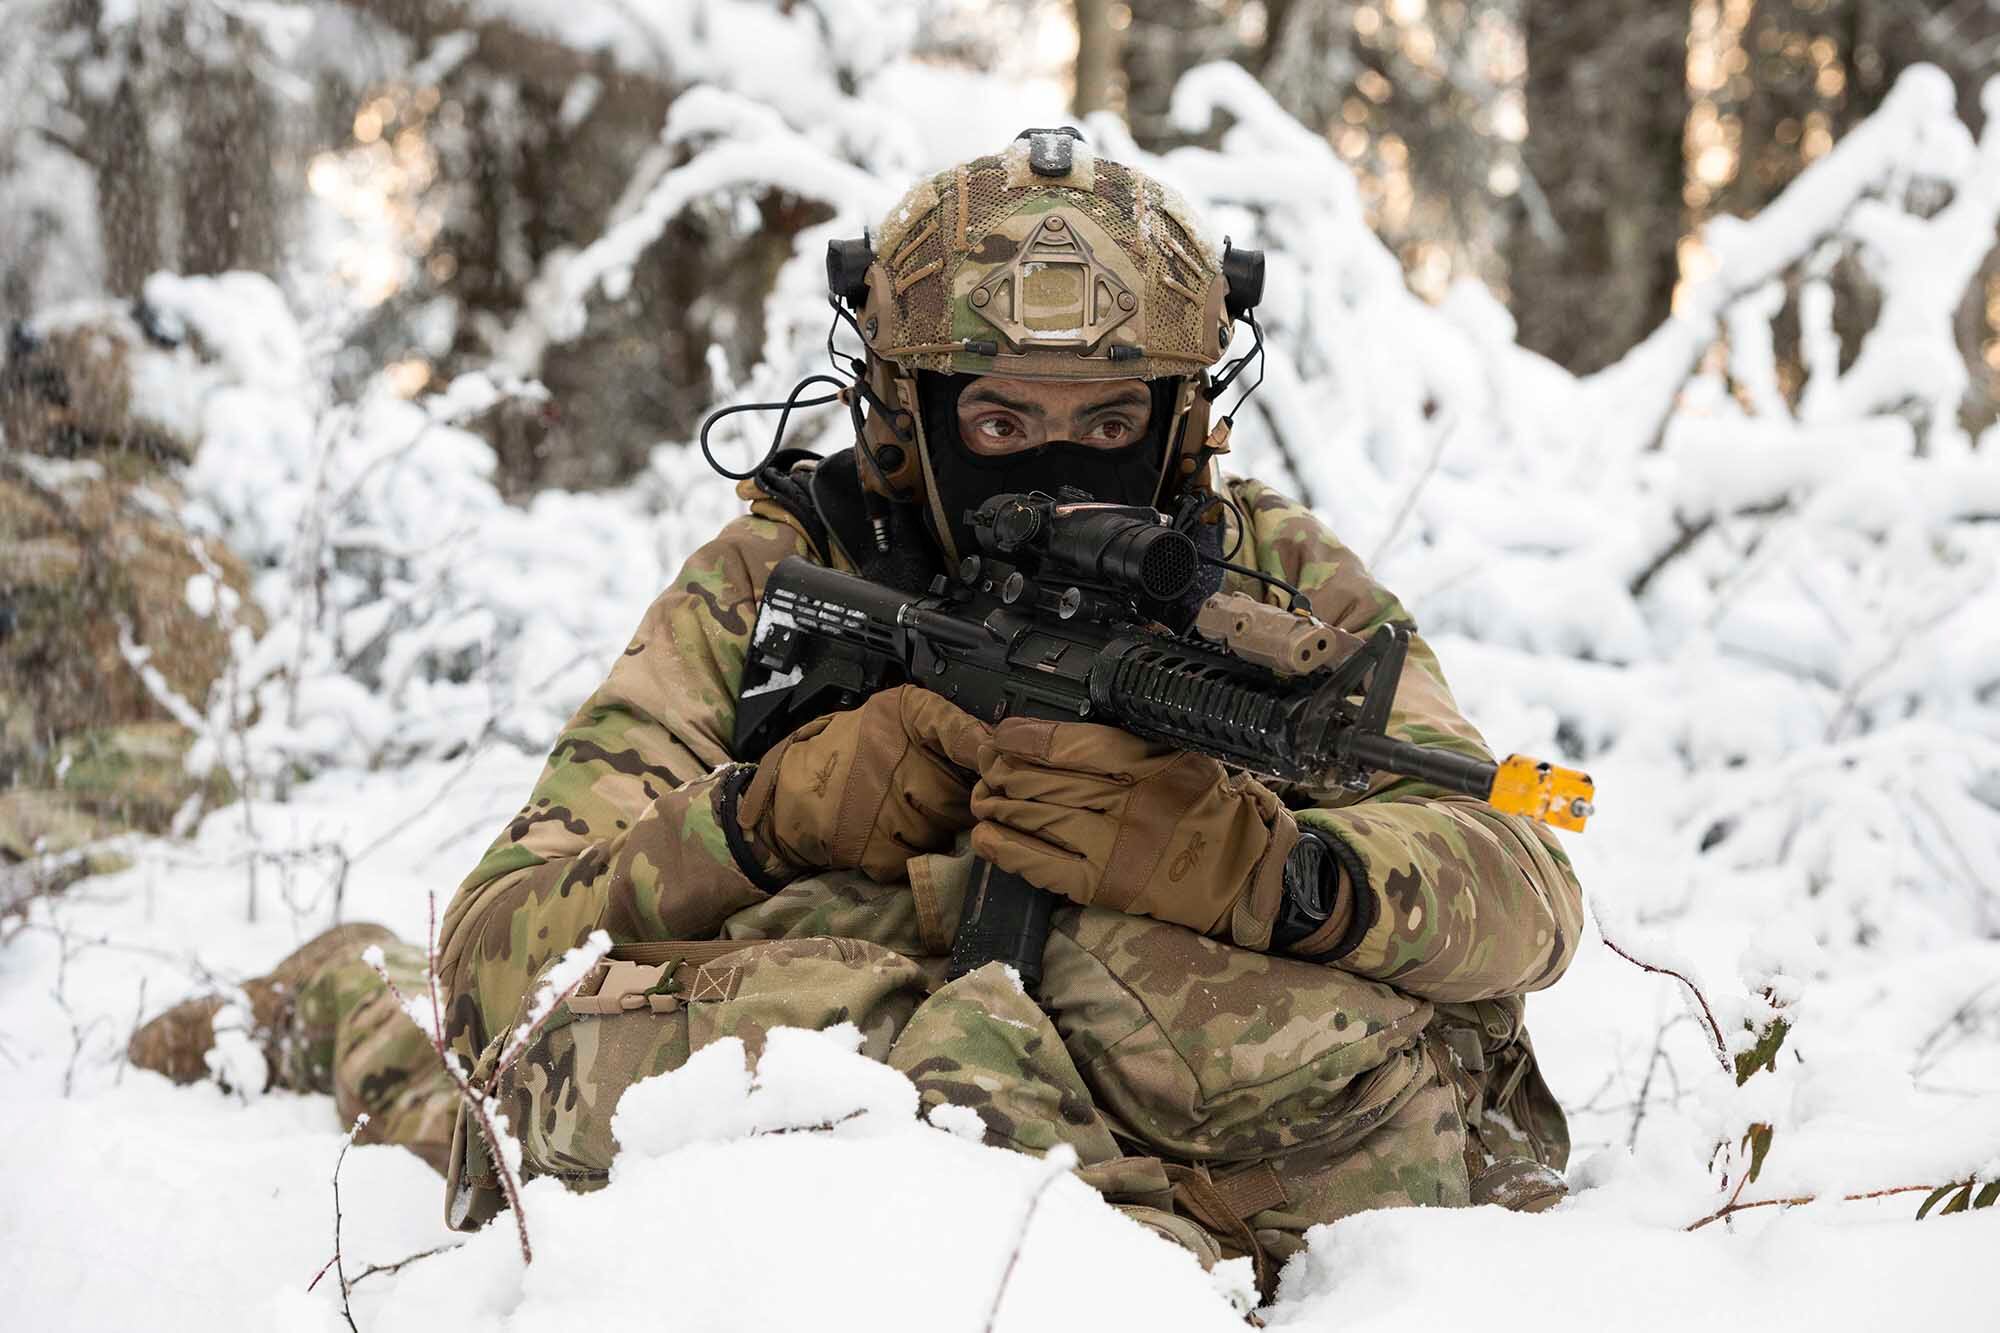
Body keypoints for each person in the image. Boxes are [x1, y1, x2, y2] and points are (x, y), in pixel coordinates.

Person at [132, 130, 1584, 1293]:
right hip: (824, 1072)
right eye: (1000, 423)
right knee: (483, 1100)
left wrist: (1277, 874)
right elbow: (497, 954)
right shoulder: (784, 572)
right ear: (905, 407)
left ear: (1186, 413)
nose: (1054, 466)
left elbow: (1528, 874)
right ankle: (330, 993)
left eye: (1110, 421)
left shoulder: (1269, 572)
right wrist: (760, 820)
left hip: (1149, 1092)